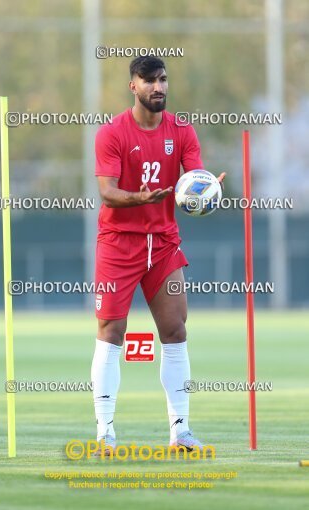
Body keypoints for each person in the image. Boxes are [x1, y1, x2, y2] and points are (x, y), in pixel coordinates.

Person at [91, 56, 225, 453]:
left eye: (163, 79)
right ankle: (105, 435)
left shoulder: (182, 130)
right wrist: (141, 198)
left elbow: (193, 180)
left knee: (175, 332)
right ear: (133, 85)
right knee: (111, 334)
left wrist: (206, 191)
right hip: (118, 242)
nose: (158, 87)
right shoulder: (112, 133)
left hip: (163, 244)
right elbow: (107, 191)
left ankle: (181, 432)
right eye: (149, 80)